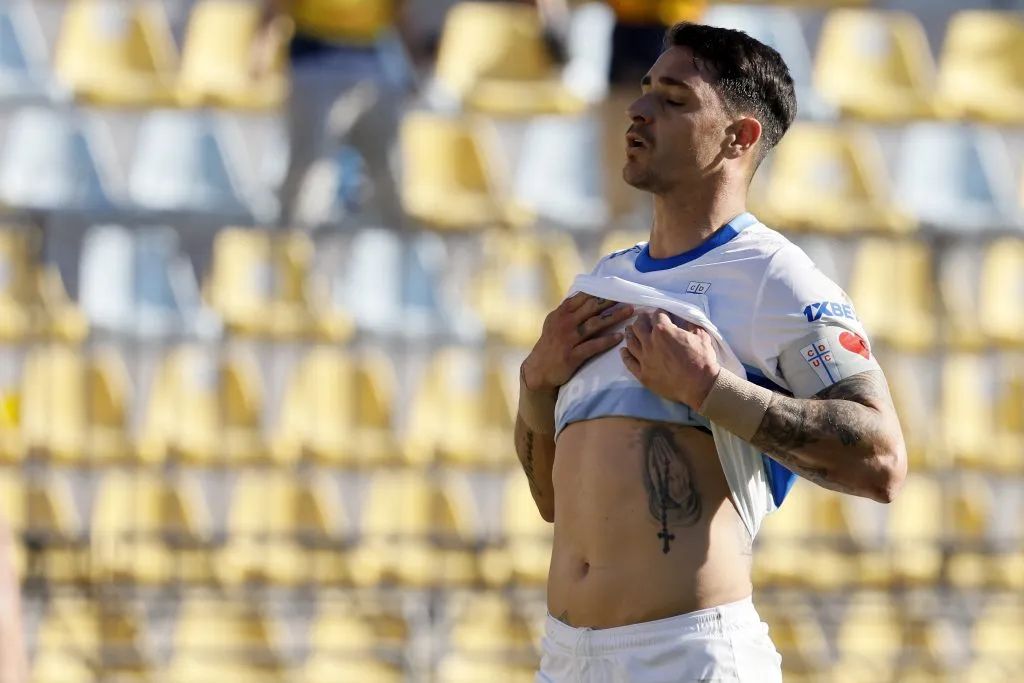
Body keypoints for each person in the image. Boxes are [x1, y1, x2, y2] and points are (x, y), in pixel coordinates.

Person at [515, 22, 908, 682]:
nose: (639, 109)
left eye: (674, 99)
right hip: (566, 659)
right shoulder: (599, 282)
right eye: (645, 91)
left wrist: (708, 389)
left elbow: (881, 458)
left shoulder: (774, 276)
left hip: (687, 657)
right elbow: (552, 501)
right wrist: (534, 382)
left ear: (739, 136)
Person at [253, 0, 415, 229]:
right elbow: (276, 8)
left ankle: (398, 237)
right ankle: (283, 235)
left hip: (370, 58)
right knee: (306, 160)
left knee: (384, 164)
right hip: (314, 58)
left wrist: (412, 64)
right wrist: (260, 48)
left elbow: (398, 13)